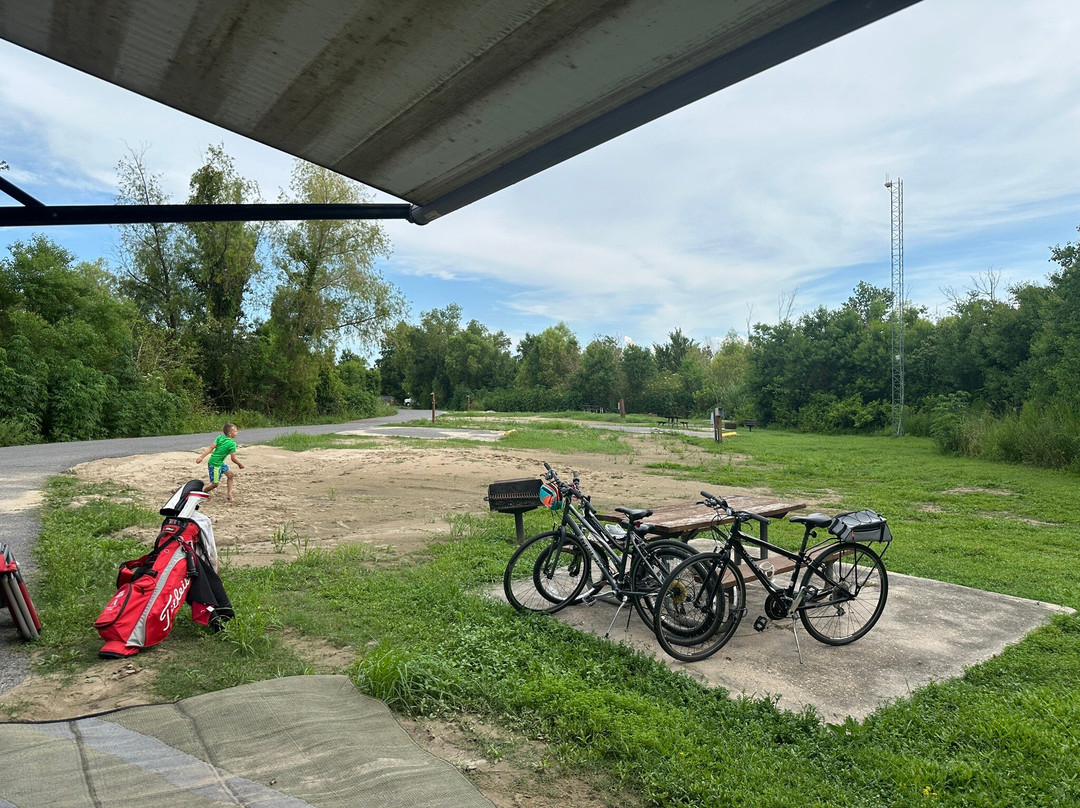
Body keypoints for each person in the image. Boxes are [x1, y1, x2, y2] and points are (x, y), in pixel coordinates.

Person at [196, 423, 245, 501]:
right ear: (230, 433)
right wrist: (239, 464)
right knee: (215, 484)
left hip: (220, 462)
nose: (237, 433)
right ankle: (203, 492)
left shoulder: (220, 438)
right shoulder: (232, 444)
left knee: (230, 475)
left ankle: (229, 494)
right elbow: (233, 458)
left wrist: (201, 457)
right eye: (235, 431)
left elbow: (211, 448)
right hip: (215, 464)